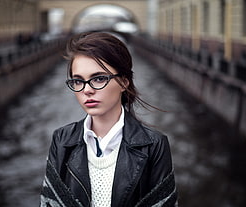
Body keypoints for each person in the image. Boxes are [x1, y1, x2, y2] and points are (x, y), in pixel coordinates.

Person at [40, 32, 177, 207]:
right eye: (78, 81)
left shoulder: (154, 145)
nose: (87, 90)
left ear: (124, 82)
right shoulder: (62, 139)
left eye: (98, 78)